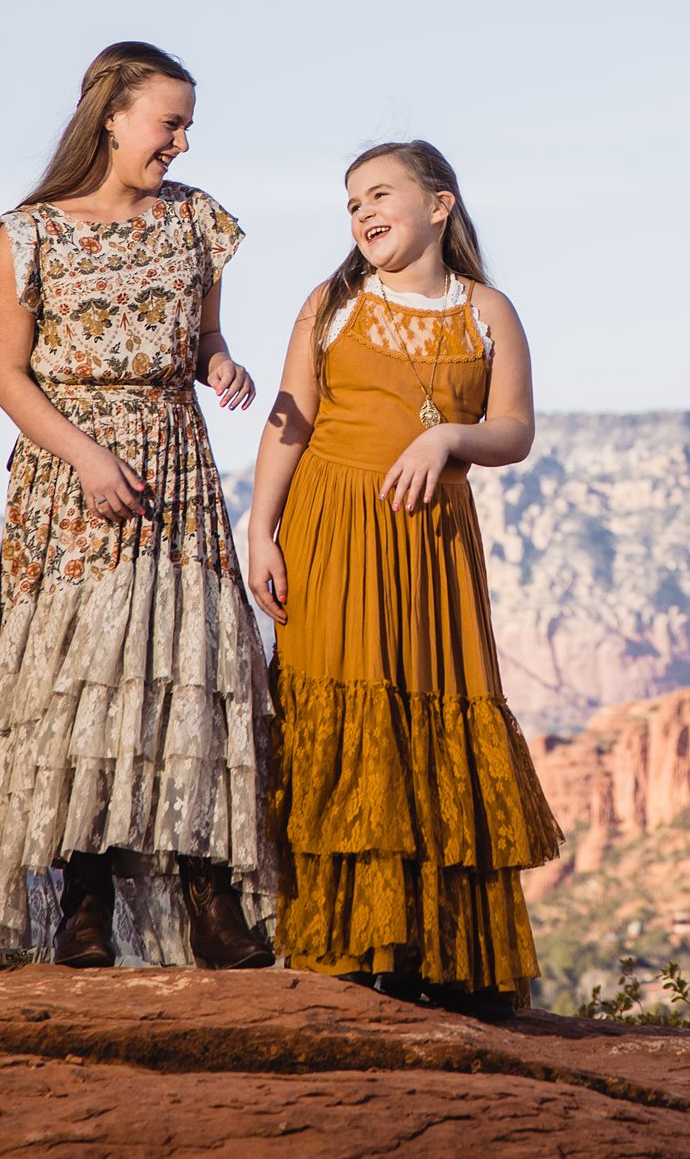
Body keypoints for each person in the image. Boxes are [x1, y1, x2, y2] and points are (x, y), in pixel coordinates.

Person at [0, 42, 279, 967]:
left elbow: (206, 333)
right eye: (167, 122)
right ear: (112, 116)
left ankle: (211, 897)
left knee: (185, 674)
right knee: (86, 686)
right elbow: (9, 379)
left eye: (185, 125)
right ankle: (83, 907)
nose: (180, 142)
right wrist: (89, 456)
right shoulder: (28, 235)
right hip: (73, 479)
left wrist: (219, 363)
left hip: (177, 468)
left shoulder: (199, 223)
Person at [246, 139, 562, 1019]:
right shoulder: (334, 302)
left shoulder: (487, 310)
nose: (361, 216)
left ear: (440, 206)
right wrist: (261, 530)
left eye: (378, 195)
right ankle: (344, 952)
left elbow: (515, 431)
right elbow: (291, 419)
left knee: (435, 716)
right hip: (332, 534)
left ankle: (446, 961)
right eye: (351, 204)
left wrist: (445, 438)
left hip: (432, 552)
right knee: (342, 723)